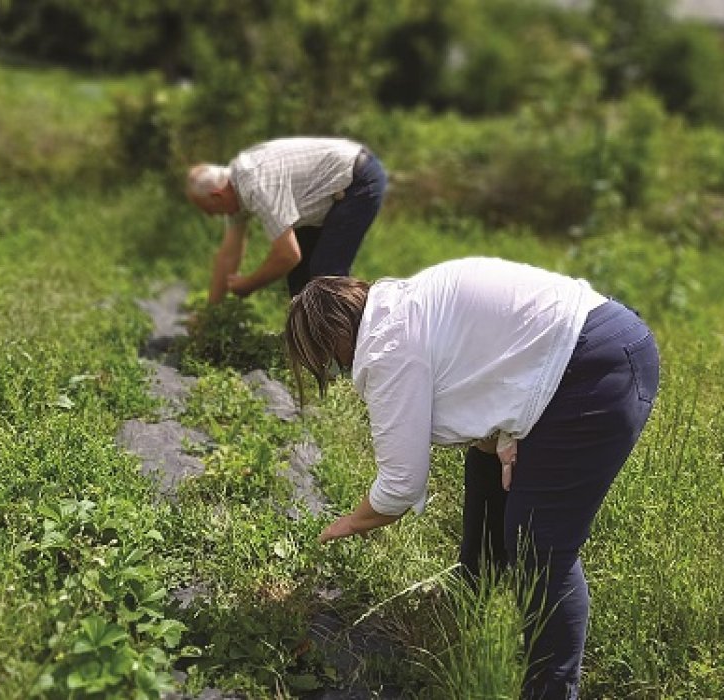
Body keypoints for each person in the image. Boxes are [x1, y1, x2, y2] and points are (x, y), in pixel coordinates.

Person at [284, 257, 660, 700]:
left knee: (539, 545)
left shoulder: (386, 347)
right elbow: (490, 376)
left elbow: (401, 486)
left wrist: (347, 524)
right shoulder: (409, 305)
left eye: (330, 361)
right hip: (594, 343)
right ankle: (472, 595)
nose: (337, 371)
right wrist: (504, 439)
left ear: (337, 336)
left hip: (593, 367)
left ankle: (552, 690)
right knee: (484, 467)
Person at [186, 137, 387, 304]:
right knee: (300, 281)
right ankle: (312, 347)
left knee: (326, 277)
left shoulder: (255, 186)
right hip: (330, 190)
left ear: (217, 196)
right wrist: (211, 312)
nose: (213, 216)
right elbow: (228, 255)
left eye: (209, 210)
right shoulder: (233, 187)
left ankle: (359, 337)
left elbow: (287, 255)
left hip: (357, 179)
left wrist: (248, 284)